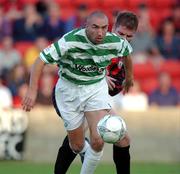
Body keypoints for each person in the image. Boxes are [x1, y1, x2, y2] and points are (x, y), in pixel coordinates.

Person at [22, 11, 133, 174]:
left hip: (95, 89)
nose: (100, 32)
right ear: (85, 26)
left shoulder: (114, 42)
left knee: (98, 141)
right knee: (77, 145)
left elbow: (127, 53)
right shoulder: (70, 41)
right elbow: (40, 60)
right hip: (69, 91)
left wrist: (129, 77)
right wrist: (32, 90)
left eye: (104, 28)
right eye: (95, 27)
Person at [53, 11, 138, 174]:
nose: (124, 39)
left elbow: (127, 59)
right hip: (73, 94)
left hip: (95, 100)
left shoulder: (119, 52)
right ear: (112, 28)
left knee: (123, 138)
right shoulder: (96, 43)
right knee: (77, 143)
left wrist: (129, 77)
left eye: (129, 37)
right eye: (121, 34)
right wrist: (100, 76)